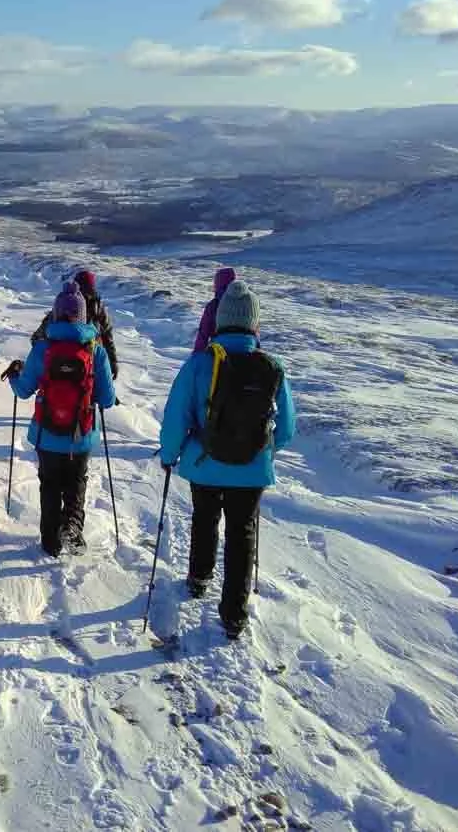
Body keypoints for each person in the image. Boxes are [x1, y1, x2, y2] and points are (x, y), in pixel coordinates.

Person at [158, 280, 295, 640]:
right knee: (242, 532)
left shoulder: (200, 364)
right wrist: (260, 453)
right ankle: (234, 613)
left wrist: (170, 455)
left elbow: (177, 418)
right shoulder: (272, 367)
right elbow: (286, 429)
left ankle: (200, 577)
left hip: (204, 463)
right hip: (251, 471)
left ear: (220, 321)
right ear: (254, 323)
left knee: (204, 518)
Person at [2, 281, 117, 557]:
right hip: (81, 436)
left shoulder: (43, 349)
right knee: (76, 483)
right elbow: (108, 399)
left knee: (50, 486)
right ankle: (73, 528)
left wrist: (15, 374)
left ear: (55, 314)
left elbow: (24, 390)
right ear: (82, 316)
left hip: (48, 435)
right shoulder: (95, 350)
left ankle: (50, 542)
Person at [32, 270, 119, 379]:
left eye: (88, 293)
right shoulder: (63, 310)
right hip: (67, 369)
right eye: (82, 293)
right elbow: (37, 339)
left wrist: (112, 361)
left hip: (88, 367)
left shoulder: (96, 309)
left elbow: (107, 335)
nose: (84, 298)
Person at [192, 267, 237, 353]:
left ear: (218, 284)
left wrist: (197, 354)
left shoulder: (214, 305)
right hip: (246, 348)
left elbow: (203, 333)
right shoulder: (245, 303)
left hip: (219, 350)